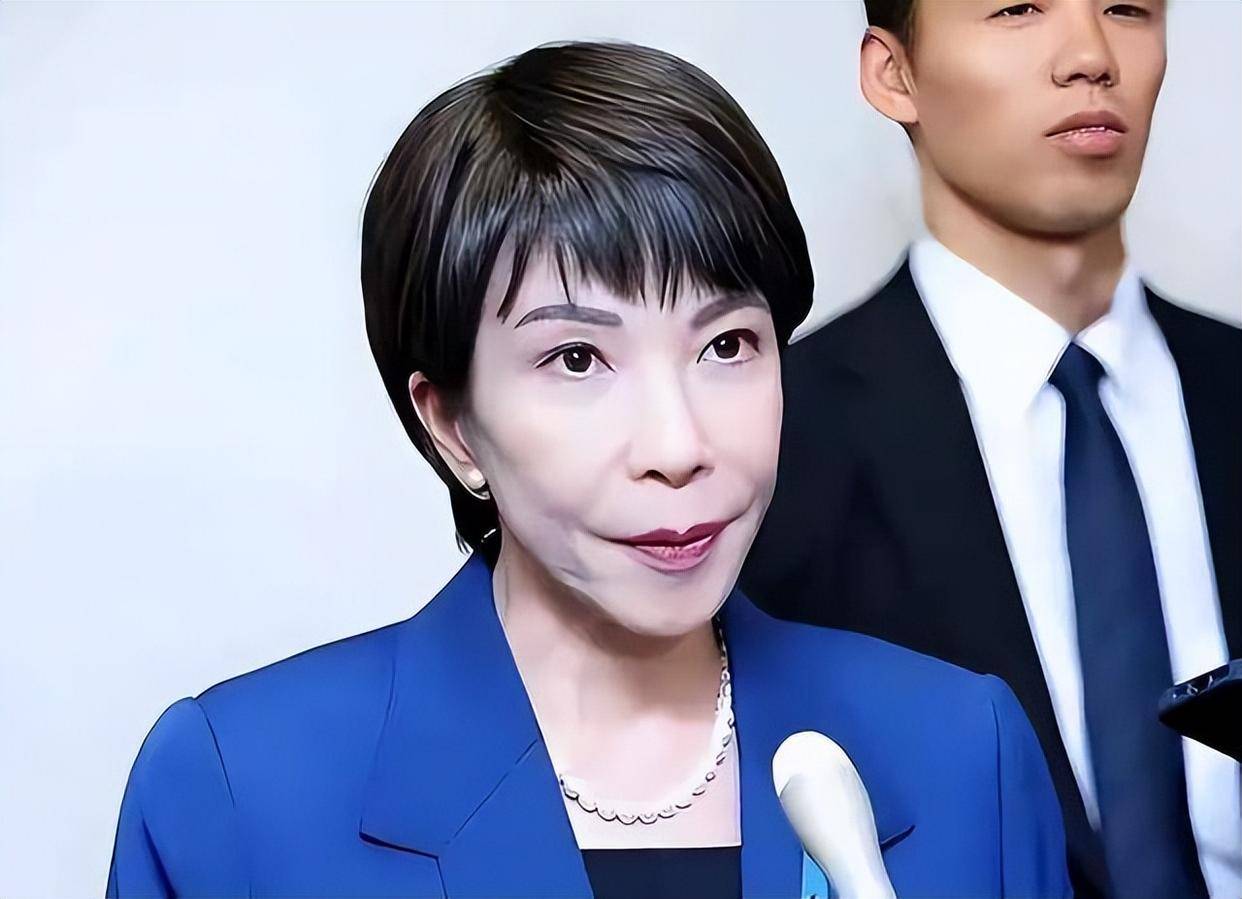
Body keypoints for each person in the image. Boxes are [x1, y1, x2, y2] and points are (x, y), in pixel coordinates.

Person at [107, 41, 1069, 897]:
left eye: (727, 345)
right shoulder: (239, 790)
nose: (677, 446)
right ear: (451, 426)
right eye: (577, 359)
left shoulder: (963, 754)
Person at [740, 2, 1242, 897]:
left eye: (1128, 8)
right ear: (893, 73)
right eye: (1017, 8)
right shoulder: (771, 444)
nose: (1091, 54)